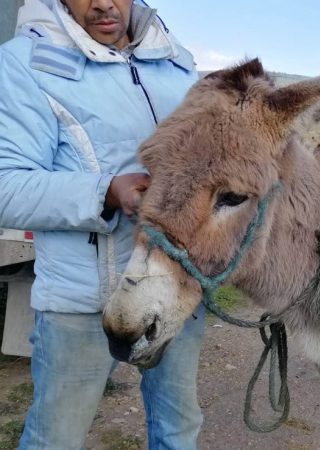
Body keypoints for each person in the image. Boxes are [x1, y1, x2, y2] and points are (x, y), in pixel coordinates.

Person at [0, 0, 205, 448]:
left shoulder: (175, 61)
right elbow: (6, 188)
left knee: (179, 429)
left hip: (175, 286)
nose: (104, 4)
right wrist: (107, 191)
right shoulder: (24, 63)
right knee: (57, 438)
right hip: (81, 301)